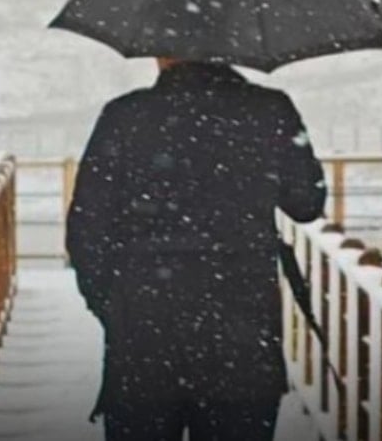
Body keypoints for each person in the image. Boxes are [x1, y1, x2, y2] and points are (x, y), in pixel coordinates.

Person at [65, 57, 327, 441]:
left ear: (160, 53)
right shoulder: (270, 109)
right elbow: (307, 203)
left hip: (144, 336)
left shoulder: (125, 115)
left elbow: (86, 229)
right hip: (243, 332)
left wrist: (113, 304)